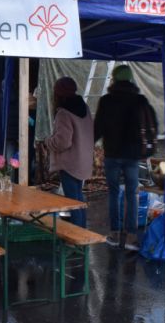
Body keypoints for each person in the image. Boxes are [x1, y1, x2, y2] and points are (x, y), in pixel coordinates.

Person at [94, 64, 158, 251]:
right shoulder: (139, 100)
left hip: (112, 154)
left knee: (113, 193)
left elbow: (98, 127)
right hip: (132, 155)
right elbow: (152, 123)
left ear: (114, 79)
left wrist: (89, 143)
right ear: (130, 79)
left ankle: (114, 234)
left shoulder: (106, 101)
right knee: (132, 194)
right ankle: (131, 236)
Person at [44, 77, 94, 227]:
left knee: (73, 202)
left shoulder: (63, 114)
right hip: (83, 160)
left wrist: (48, 141)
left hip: (69, 164)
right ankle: (82, 233)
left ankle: (78, 236)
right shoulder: (84, 108)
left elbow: (62, 142)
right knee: (79, 200)